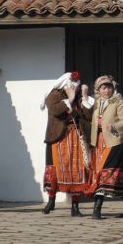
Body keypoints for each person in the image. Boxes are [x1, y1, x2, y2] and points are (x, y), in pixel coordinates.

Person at [86, 75, 123, 220]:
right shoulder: (97, 103)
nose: (107, 90)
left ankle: (97, 209)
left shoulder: (117, 101)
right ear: (98, 90)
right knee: (114, 177)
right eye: (104, 87)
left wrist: (114, 126)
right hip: (99, 143)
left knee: (105, 174)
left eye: (109, 87)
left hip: (114, 142)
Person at [42, 72, 93, 216]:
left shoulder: (78, 97)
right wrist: (69, 99)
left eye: (76, 87)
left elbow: (88, 116)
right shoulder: (54, 95)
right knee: (55, 170)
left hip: (76, 137)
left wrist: (84, 97)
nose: (74, 89)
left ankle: (75, 207)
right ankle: (51, 201)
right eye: (72, 86)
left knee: (77, 171)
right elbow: (56, 110)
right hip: (58, 138)